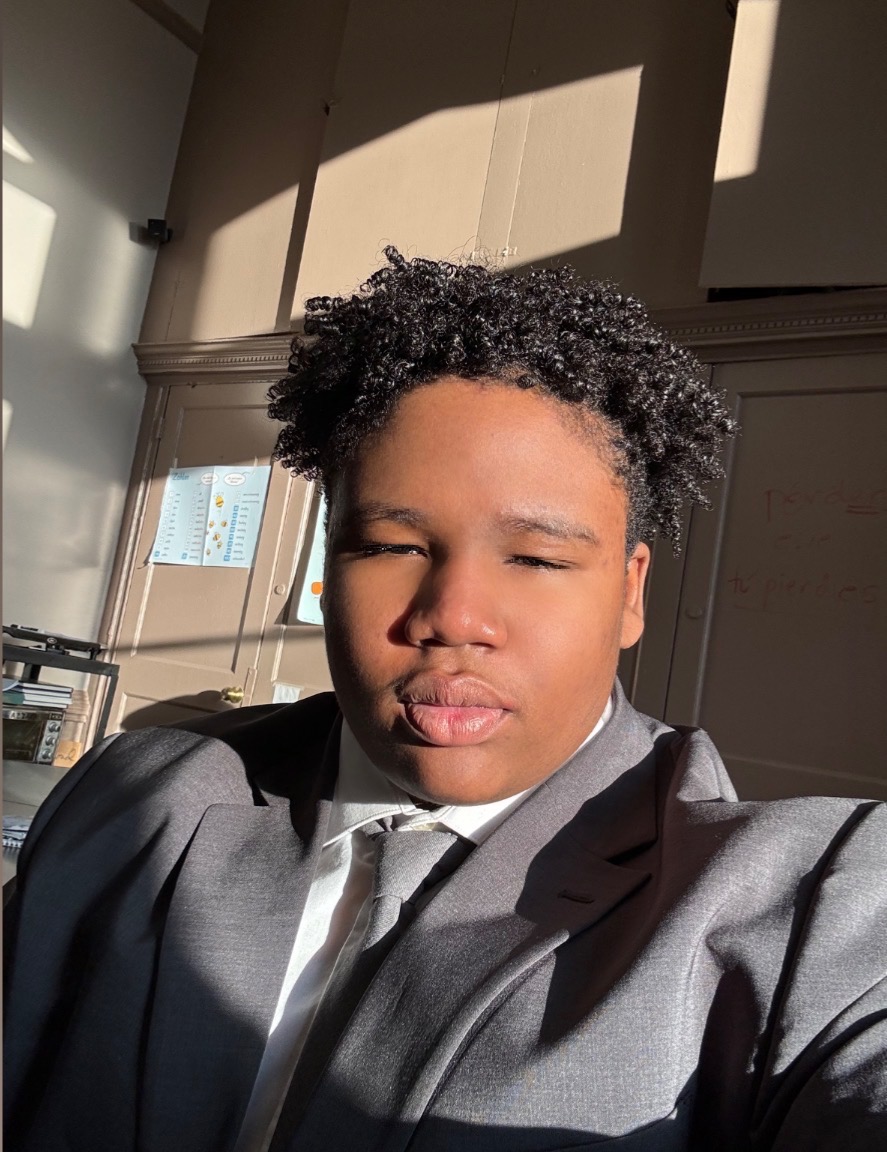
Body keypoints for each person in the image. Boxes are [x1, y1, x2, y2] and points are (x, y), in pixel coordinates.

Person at [5, 249, 885, 1152]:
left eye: (536, 558)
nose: (452, 618)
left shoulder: (806, 907)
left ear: (630, 593)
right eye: (391, 546)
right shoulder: (136, 795)